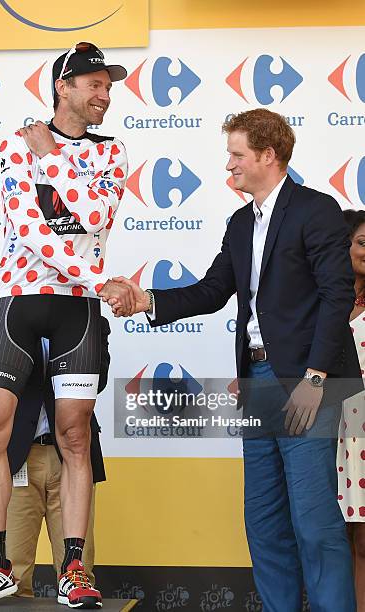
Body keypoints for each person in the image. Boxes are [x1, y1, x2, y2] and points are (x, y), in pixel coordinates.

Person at [108, 109, 363, 612]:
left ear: (269, 156)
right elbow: (212, 290)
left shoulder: (317, 210)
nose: (230, 167)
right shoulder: (240, 222)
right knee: (263, 521)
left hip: (307, 379)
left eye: (237, 156)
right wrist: (146, 302)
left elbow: (337, 297)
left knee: (314, 522)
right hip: (258, 380)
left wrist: (315, 377)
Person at [0, 41, 133, 610]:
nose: (105, 95)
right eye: (96, 85)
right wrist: (96, 276)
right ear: (65, 86)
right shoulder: (14, 141)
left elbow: (93, 218)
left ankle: (74, 567)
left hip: (76, 309)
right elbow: (33, 227)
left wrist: (51, 165)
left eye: (109, 86)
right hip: (20, 299)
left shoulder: (113, 151)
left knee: (75, 436)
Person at [0, 316, 111, 598]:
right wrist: (14, 351)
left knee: (78, 572)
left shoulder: (91, 321)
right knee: (10, 576)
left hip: (71, 458)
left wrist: (64, 339)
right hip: (16, 457)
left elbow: (98, 380)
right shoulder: (7, 317)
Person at [337, 209, 365, 612]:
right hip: (324, 436)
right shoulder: (317, 306)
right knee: (328, 540)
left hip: (362, 442)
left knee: (362, 544)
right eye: (361, 242)